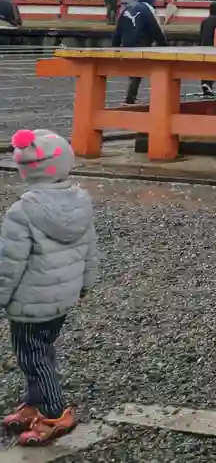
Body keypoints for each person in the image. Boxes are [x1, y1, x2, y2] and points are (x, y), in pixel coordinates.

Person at [0, 129, 99, 446]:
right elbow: (90, 249)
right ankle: (35, 403)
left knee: (32, 358)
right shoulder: (80, 203)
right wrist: (85, 283)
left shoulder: (22, 213)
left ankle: (55, 412)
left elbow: (9, 263)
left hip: (30, 302)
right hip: (63, 297)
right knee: (42, 349)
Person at [112, 0, 166, 106]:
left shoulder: (128, 8)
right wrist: (164, 44)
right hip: (140, 44)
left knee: (134, 71)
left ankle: (131, 97)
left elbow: (119, 29)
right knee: (138, 73)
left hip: (126, 43)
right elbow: (155, 29)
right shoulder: (146, 10)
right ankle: (131, 99)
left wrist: (114, 45)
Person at [196, 0, 216, 100]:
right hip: (215, 47)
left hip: (204, 46)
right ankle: (209, 85)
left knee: (205, 68)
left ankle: (206, 87)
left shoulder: (205, 21)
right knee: (214, 68)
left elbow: (200, 36)